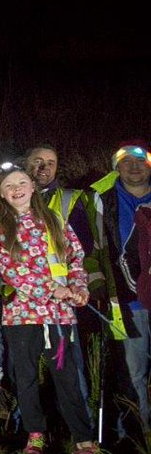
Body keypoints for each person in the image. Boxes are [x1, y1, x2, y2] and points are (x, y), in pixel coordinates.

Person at [0, 168, 115, 454]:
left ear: (33, 186)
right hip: (22, 316)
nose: (17, 189)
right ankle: (35, 435)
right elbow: (10, 271)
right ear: (3, 194)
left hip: (59, 316)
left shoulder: (54, 219)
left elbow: (76, 257)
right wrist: (52, 289)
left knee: (67, 376)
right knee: (27, 376)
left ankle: (84, 442)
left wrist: (79, 289)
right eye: (10, 186)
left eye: (22, 183)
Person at [92, 140, 151, 431]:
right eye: (126, 161)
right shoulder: (103, 199)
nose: (135, 166)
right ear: (116, 168)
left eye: (141, 161)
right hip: (128, 301)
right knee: (133, 372)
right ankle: (138, 432)